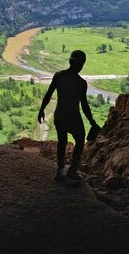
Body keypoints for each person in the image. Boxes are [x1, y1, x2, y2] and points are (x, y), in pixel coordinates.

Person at [38, 50, 100, 182]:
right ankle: (72, 170)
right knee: (80, 140)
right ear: (81, 64)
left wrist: (41, 110)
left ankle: (60, 170)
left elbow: (48, 94)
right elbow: (84, 105)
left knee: (62, 141)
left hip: (59, 115)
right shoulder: (81, 83)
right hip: (73, 117)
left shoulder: (59, 76)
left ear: (70, 62)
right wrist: (92, 121)